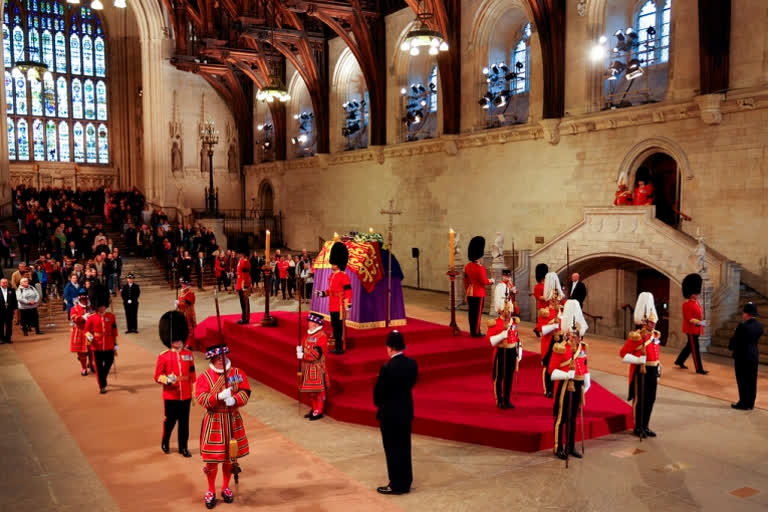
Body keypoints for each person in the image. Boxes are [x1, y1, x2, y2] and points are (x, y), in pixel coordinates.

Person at [195, 343, 251, 509]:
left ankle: (225, 487)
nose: (220, 360)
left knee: (229, 458)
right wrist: (218, 397)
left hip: (232, 419)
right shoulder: (204, 377)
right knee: (212, 460)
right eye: (217, 358)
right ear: (211, 358)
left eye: (222, 357)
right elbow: (201, 398)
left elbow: (245, 391)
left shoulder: (237, 373)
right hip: (215, 421)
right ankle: (211, 489)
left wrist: (235, 399)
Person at [373, 330, 418, 495]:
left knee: (392, 449)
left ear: (390, 348)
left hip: (390, 414)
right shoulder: (412, 364)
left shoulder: (386, 368)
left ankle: (396, 484)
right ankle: (406, 481)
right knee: (405, 447)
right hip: (406, 411)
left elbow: (378, 395)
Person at [549, 299, 590, 460]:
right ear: (568, 333)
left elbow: (584, 364)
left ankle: (571, 445)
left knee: (573, 417)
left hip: (578, 385)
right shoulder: (560, 348)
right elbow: (552, 372)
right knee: (562, 417)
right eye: (575, 334)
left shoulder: (582, 348)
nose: (578, 337)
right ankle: (558, 446)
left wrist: (586, 380)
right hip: (564, 386)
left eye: (579, 335)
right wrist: (567, 375)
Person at [620, 292, 662, 438]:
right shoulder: (637, 336)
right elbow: (623, 354)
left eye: (654, 321)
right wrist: (638, 360)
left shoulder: (655, 335)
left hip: (652, 370)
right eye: (651, 322)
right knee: (640, 399)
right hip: (641, 371)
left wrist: (658, 369)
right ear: (645, 322)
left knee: (651, 399)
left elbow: (656, 354)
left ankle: (646, 425)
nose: (654, 324)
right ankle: (637, 427)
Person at [155, 311, 196, 457]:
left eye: (180, 339)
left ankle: (183, 447)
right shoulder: (164, 356)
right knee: (171, 421)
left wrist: (193, 391)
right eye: (175, 339)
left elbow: (192, 373)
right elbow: (157, 376)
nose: (178, 341)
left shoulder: (188, 354)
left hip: (185, 394)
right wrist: (167, 380)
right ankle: (165, 440)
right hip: (171, 395)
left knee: (184, 423)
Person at [316, 242, 351, 354]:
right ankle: (337, 346)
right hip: (332, 305)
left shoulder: (344, 276)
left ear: (339, 263)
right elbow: (330, 291)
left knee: (339, 329)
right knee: (335, 328)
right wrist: (322, 293)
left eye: (334, 263)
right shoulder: (331, 276)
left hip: (340, 307)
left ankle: (340, 348)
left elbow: (348, 292)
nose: (332, 265)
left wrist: (347, 306)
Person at [729, 302, 764, 410]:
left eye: (743, 312)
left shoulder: (742, 326)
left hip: (742, 356)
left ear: (747, 314)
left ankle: (743, 403)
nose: (742, 315)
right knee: (752, 380)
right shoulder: (759, 326)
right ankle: (751, 403)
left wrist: (735, 333)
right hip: (753, 355)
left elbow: (734, 343)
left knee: (742, 380)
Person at [486, 304, 521, 410]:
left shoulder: (513, 322)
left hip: (511, 351)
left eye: (510, 311)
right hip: (501, 351)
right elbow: (491, 341)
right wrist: (502, 335)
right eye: (506, 311)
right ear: (500, 311)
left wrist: (519, 351)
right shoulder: (495, 323)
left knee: (509, 377)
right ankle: (499, 400)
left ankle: (507, 399)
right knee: (499, 376)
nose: (508, 313)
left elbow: (516, 337)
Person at [84, 286, 118, 394]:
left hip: (108, 343)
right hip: (97, 345)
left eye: (104, 305)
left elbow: (114, 330)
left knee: (110, 361)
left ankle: (103, 376)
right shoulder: (91, 318)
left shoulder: (111, 316)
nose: (102, 307)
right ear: (97, 306)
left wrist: (115, 343)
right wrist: (89, 336)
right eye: (100, 306)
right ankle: (102, 385)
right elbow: (86, 331)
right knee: (98, 367)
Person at [297, 313, 330, 420]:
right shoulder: (308, 335)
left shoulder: (322, 336)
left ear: (316, 324)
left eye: (310, 322)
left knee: (318, 391)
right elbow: (304, 344)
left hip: (316, 368)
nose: (308, 323)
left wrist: (303, 354)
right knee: (311, 391)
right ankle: (314, 408)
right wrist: (300, 349)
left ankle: (319, 410)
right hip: (307, 367)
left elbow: (316, 354)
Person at [674, 273, 708, 374]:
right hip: (691, 329)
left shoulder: (696, 302)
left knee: (689, 346)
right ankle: (699, 368)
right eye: (696, 293)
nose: (697, 294)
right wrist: (700, 322)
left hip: (696, 328)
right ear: (691, 293)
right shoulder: (687, 304)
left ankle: (679, 361)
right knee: (695, 349)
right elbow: (688, 318)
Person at [537, 272, 564, 398]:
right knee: (549, 365)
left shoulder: (563, 311)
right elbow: (540, 329)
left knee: (561, 364)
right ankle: (548, 389)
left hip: (562, 340)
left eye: (557, 298)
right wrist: (553, 324)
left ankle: (558, 386)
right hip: (550, 341)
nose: (556, 301)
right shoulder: (546, 312)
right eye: (554, 299)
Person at [464, 236, 494, 337]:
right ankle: (476, 332)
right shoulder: (480, 268)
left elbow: (466, 280)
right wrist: (491, 281)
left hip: (470, 292)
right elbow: (484, 281)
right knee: (477, 314)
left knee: (471, 313)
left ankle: (473, 330)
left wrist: (466, 291)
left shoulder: (468, 266)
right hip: (479, 293)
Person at [69, 292, 93, 376]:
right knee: (81, 352)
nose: (84, 301)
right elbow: (73, 317)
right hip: (79, 332)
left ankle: (91, 364)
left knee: (91, 349)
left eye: (85, 300)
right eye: (82, 300)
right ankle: (84, 368)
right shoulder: (74, 308)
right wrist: (82, 317)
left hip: (89, 332)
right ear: (79, 300)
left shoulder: (90, 307)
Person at [176, 279, 197, 349]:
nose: (182, 285)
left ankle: (190, 343)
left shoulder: (190, 293)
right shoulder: (182, 292)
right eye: (182, 283)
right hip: (182, 313)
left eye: (183, 283)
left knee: (189, 329)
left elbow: (187, 304)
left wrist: (178, 304)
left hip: (188, 313)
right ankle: (185, 341)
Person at [235, 247, 251, 325]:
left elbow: (245, 273)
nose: (238, 254)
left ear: (242, 254)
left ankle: (246, 318)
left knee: (245, 302)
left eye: (239, 253)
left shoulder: (245, 261)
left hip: (244, 284)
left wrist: (244, 285)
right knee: (242, 302)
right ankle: (243, 317)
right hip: (240, 283)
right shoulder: (240, 261)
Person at [532, 263, 549, 337]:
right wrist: (548, 297)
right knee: (542, 320)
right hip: (542, 305)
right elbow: (538, 297)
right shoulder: (537, 286)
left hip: (548, 304)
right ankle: (539, 329)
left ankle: (537, 329)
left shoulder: (547, 285)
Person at [0, 278, 18, 344]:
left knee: (9, 325)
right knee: (0, 325)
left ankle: (8, 338)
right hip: (0, 311)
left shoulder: (11, 290)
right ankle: (1, 339)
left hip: (9, 311)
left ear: (8, 283)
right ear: (0, 283)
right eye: (3, 282)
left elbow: (14, 300)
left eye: (6, 282)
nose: (4, 284)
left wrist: (15, 309)